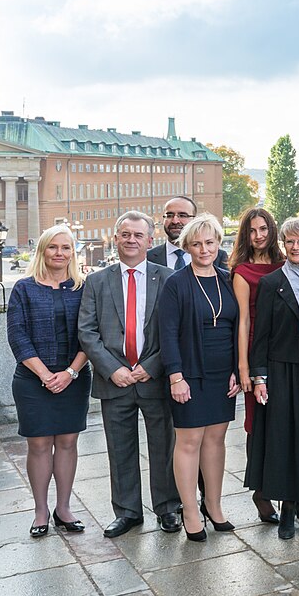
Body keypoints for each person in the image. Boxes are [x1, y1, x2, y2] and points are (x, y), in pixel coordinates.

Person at [77, 211, 181, 538]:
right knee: (119, 448)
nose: (131, 240)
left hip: (155, 377)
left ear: (151, 240)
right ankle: (127, 512)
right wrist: (114, 369)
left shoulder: (168, 279)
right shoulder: (96, 281)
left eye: (138, 235)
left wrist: (151, 367)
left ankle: (167, 508)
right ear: (116, 238)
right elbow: (87, 331)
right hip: (115, 381)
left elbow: (174, 332)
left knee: (164, 447)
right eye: (125, 234)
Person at [244, 217, 299, 540]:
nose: (295, 248)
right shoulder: (271, 284)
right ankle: (288, 507)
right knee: (285, 438)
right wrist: (259, 376)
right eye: (290, 242)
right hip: (282, 369)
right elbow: (260, 335)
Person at [159, 214, 241, 542]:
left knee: (216, 441)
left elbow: (239, 327)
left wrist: (238, 369)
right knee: (189, 442)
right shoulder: (176, 283)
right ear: (187, 246)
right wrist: (176, 377)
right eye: (197, 243)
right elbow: (167, 334)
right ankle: (190, 510)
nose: (204, 249)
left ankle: (214, 505)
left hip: (224, 374)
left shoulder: (227, 279)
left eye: (210, 243)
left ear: (219, 243)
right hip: (190, 373)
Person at [6, 224, 91, 538]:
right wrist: (45, 375)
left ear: (73, 251)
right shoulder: (24, 289)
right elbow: (17, 336)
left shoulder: (84, 287)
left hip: (75, 376)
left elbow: (90, 336)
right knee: (39, 445)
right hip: (32, 380)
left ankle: (64, 508)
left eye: (66, 247)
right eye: (53, 247)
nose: (60, 253)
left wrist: (70, 373)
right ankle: (41, 511)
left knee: (68, 443)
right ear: (43, 250)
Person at [230, 207, 286, 525]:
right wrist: (244, 368)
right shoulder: (242, 271)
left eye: (263, 228)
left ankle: (293, 492)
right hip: (256, 354)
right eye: (252, 231)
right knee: (258, 425)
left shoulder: (284, 264)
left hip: (287, 355)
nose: (259, 235)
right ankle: (261, 492)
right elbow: (243, 322)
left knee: (287, 423)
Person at [148, 196, 228, 270]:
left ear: (195, 219)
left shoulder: (217, 256)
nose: (175, 221)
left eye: (182, 215)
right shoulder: (148, 257)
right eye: (169, 215)